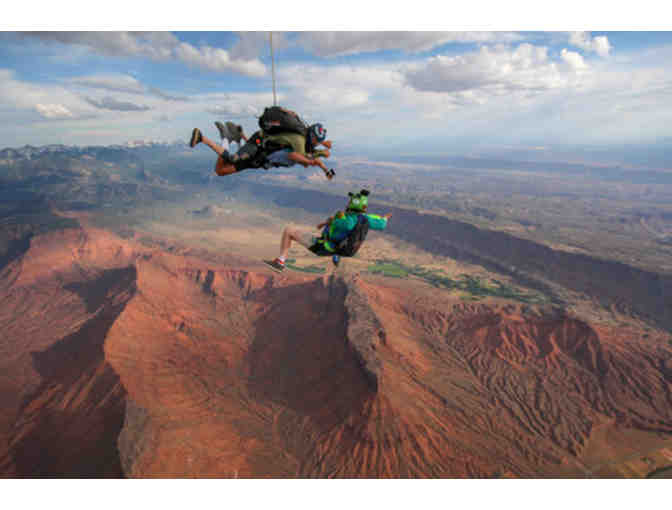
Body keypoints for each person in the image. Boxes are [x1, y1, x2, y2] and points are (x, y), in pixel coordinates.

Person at [263, 189, 392, 273]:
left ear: (353, 203)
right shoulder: (367, 219)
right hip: (347, 250)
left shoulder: (344, 219)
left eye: (350, 201)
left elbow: (342, 225)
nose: (347, 203)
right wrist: (385, 219)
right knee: (339, 239)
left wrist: (333, 220)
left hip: (324, 247)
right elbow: (382, 224)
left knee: (289, 231)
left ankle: (280, 262)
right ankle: (336, 254)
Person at [189, 110, 334, 179]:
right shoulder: (299, 143)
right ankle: (202, 138)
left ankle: (230, 138)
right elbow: (294, 155)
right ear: (312, 138)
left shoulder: (306, 146)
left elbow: (314, 157)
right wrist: (311, 161)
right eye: (317, 141)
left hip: (258, 160)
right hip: (258, 144)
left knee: (221, 171)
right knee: (233, 159)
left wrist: (325, 169)